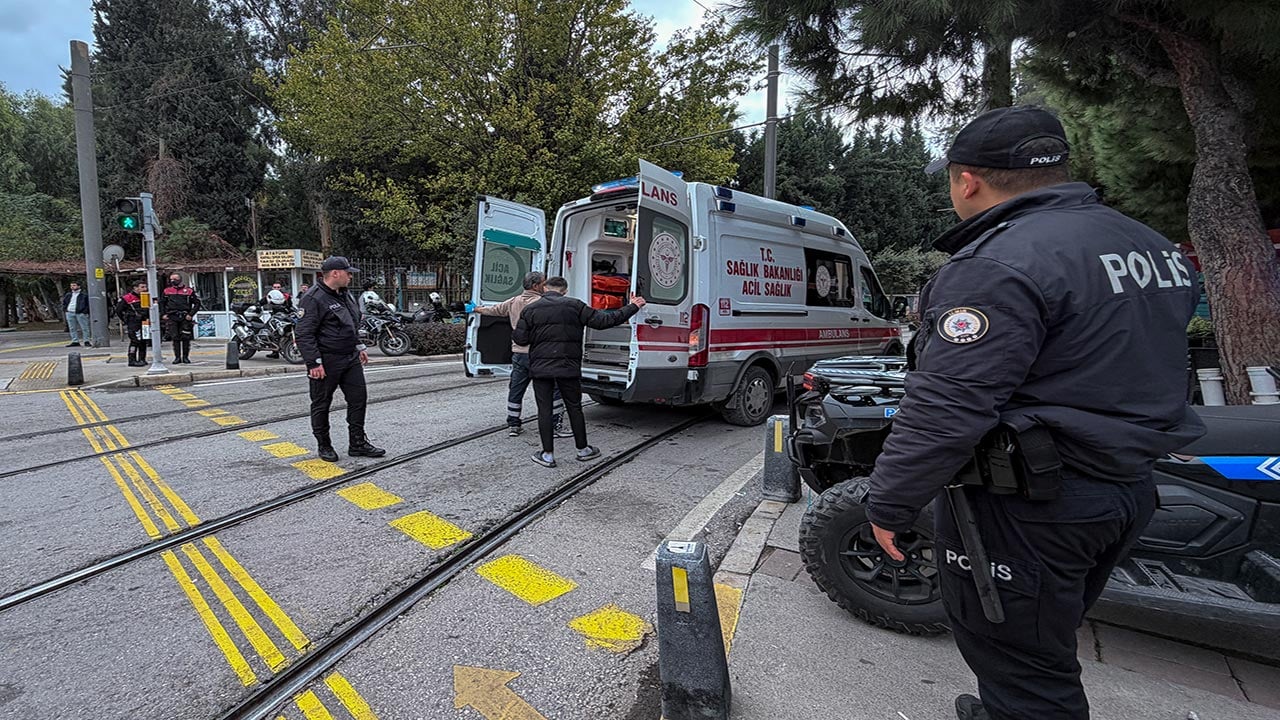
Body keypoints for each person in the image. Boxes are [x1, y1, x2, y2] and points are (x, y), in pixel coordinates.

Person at [863, 106, 1205, 720]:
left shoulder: (995, 265)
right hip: (1125, 486)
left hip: (1034, 502)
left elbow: (948, 405)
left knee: (1026, 667)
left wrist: (889, 503)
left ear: (967, 180)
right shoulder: (1150, 246)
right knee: (1044, 635)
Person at [512, 276, 645, 467]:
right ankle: (583, 450)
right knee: (574, 407)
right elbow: (605, 320)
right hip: (568, 367)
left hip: (541, 368)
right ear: (565, 291)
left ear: (544, 288)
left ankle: (547, 455)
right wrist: (633, 306)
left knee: (544, 409)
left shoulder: (530, 309)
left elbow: (521, 340)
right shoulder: (575, 306)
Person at [295, 256, 385, 462]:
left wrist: (358, 346)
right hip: (326, 360)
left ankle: (357, 443)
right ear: (335, 273)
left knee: (358, 399)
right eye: (348, 272)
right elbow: (304, 333)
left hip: (350, 357)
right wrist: (313, 362)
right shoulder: (313, 298)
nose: (350, 276)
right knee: (321, 403)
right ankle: (324, 445)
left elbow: (350, 323)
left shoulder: (345, 294)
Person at [467, 271, 569, 438]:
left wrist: (475, 309)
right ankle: (555, 425)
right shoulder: (544, 303)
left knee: (516, 388)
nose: (546, 286)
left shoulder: (513, 301)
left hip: (519, 354)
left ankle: (514, 424)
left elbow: (493, 310)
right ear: (536, 286)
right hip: (540, 355)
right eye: (543, 283)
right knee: (554, 389)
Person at [160, 273, 200, 363]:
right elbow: (162, 303)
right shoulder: (167, 291)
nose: (173, 281)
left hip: (185, 317)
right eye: (171, 279)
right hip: (172, 316)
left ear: (180, 280)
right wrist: (163, 314)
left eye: (175, 279)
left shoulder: (189, 291)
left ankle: (185, 357)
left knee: (186, 337)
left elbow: (197, 304)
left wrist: (191, 314)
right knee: (175, 337)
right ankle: (177, 357)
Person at [115, 280, 149, 367]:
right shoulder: (127, 298)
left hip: (144, 322)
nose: (145, 289)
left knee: (143, 341)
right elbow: (118, 310)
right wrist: (125, 320)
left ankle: (142, 359)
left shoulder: (146, 296)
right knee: (135, 341)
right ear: (135, 288)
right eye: (142, 287)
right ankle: (132, 360)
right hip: (133, 322)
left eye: (145, 287)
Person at [61, 281, 91, 347]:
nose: (72, 287)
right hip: (70, 312)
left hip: (80, 313)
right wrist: (65, 309)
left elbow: (88, 304)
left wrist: (84, 311)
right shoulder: (68, 295)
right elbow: (64, 302)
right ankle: (75, 341)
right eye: (71, 285)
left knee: (84, 327)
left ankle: (86, 340)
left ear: (78, 286)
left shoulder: (84, 295)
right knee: (72, 328)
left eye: (74, 285)